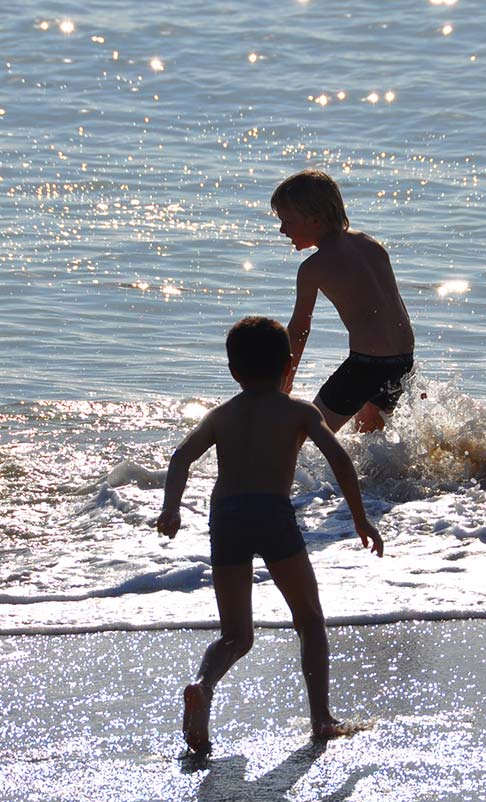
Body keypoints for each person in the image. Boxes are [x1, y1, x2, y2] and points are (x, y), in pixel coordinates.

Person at [156, 316, 383, 753]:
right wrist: (359, 516)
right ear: (288, 365)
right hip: (272, 514)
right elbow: (338, 457)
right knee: (309, 620)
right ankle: (321, 720)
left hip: (227, 517)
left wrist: (171, 509)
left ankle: (203, 685)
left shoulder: (221, 415)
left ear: (232, 370)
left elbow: (182, 457)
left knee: (235, 635)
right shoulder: (299, 411)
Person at [273, 170, 416, 433]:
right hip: (402, 360)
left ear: (314, 220)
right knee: (370, 439)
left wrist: (285, 382)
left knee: (308, 434)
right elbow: (397, 308)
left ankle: (285, 473)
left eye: (288, 222)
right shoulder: (371, 245)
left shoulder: (313, 268)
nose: (282, 230)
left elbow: (299, 331)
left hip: (366, 365)